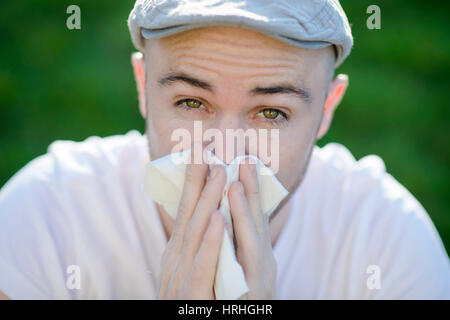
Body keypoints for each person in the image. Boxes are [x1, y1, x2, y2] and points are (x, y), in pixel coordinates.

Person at [0, 0, 449, 300]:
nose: (225, 151)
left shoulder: (387, 243)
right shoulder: (43, 221)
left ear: (327, 109)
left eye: (271, 113)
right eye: (192, 103)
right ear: (142, 87)